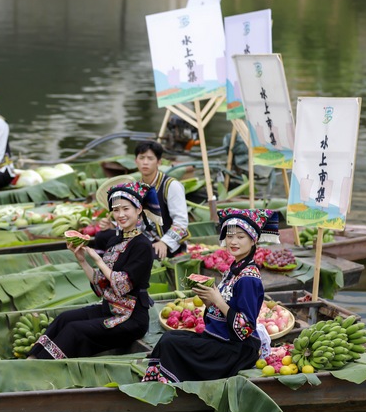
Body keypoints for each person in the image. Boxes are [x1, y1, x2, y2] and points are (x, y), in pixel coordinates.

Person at [142, 208, 280, 383]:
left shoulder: (248, 279)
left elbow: (245, 329)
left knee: (170, 344)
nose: (233, 241)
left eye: (240, 236)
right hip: (219, 338)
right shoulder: (235, 269)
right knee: (171, 337)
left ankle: (166, 383)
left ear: (254, 240)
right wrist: (209, 302)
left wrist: (217, 300)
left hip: (235, 350)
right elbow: (225, 310)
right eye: (230, 236)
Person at [27, 181, 159, 359]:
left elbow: (122, 285)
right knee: (64, 318)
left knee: (75, 329)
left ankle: (42, 367)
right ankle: (31, 359)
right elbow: (101, 286)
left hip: (131, 318)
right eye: (116, 210)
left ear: (138, 210)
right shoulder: (115, 240)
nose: (120, 214)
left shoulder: (143, 245)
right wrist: (82, 261)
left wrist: (98, 260)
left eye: (126, 209)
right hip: (109, 308)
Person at [97, 140, 189, 259]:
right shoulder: (137, 186)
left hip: (165, 243)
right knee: (101, 236)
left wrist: (165, 242)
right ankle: (103, 270)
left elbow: (181, 223)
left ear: (159, 162)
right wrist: (113, 225)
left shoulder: (171, 186)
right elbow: (135, 219)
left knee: (141, 254)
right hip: (142, 238)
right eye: (142, 158)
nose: (145, 162)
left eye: (150, 158)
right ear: (136, 161)